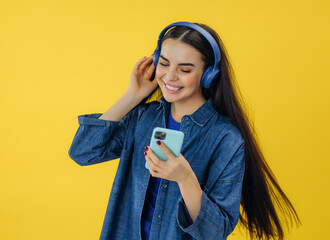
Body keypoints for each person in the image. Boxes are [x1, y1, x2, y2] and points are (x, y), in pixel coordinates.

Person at [68, 21, 301, 240]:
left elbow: (215, 231)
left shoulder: (226, 138)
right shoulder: (143, 118)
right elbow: (82, 152)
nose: (170, 76)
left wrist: (186, 179)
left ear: (208, 75)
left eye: (185, 69)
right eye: (164, 63)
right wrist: (133, 95)